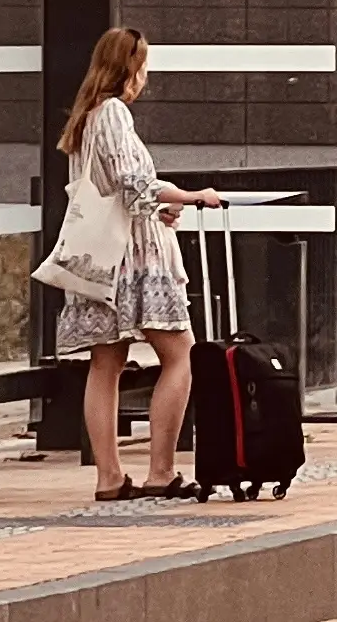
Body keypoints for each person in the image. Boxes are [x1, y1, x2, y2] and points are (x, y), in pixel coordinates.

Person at [53, 26, 224, 499]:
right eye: (143, 65)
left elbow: (118, 190)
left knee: (105, 362)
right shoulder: (113, 114)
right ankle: (161, 471)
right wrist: (192, 196)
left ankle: (109, 477)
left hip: (103, 257)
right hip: (135, 259)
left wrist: (161, 202)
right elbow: (134, 185)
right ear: (130, 67)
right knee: (180, 354)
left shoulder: (88, 117)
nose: (146, 75)